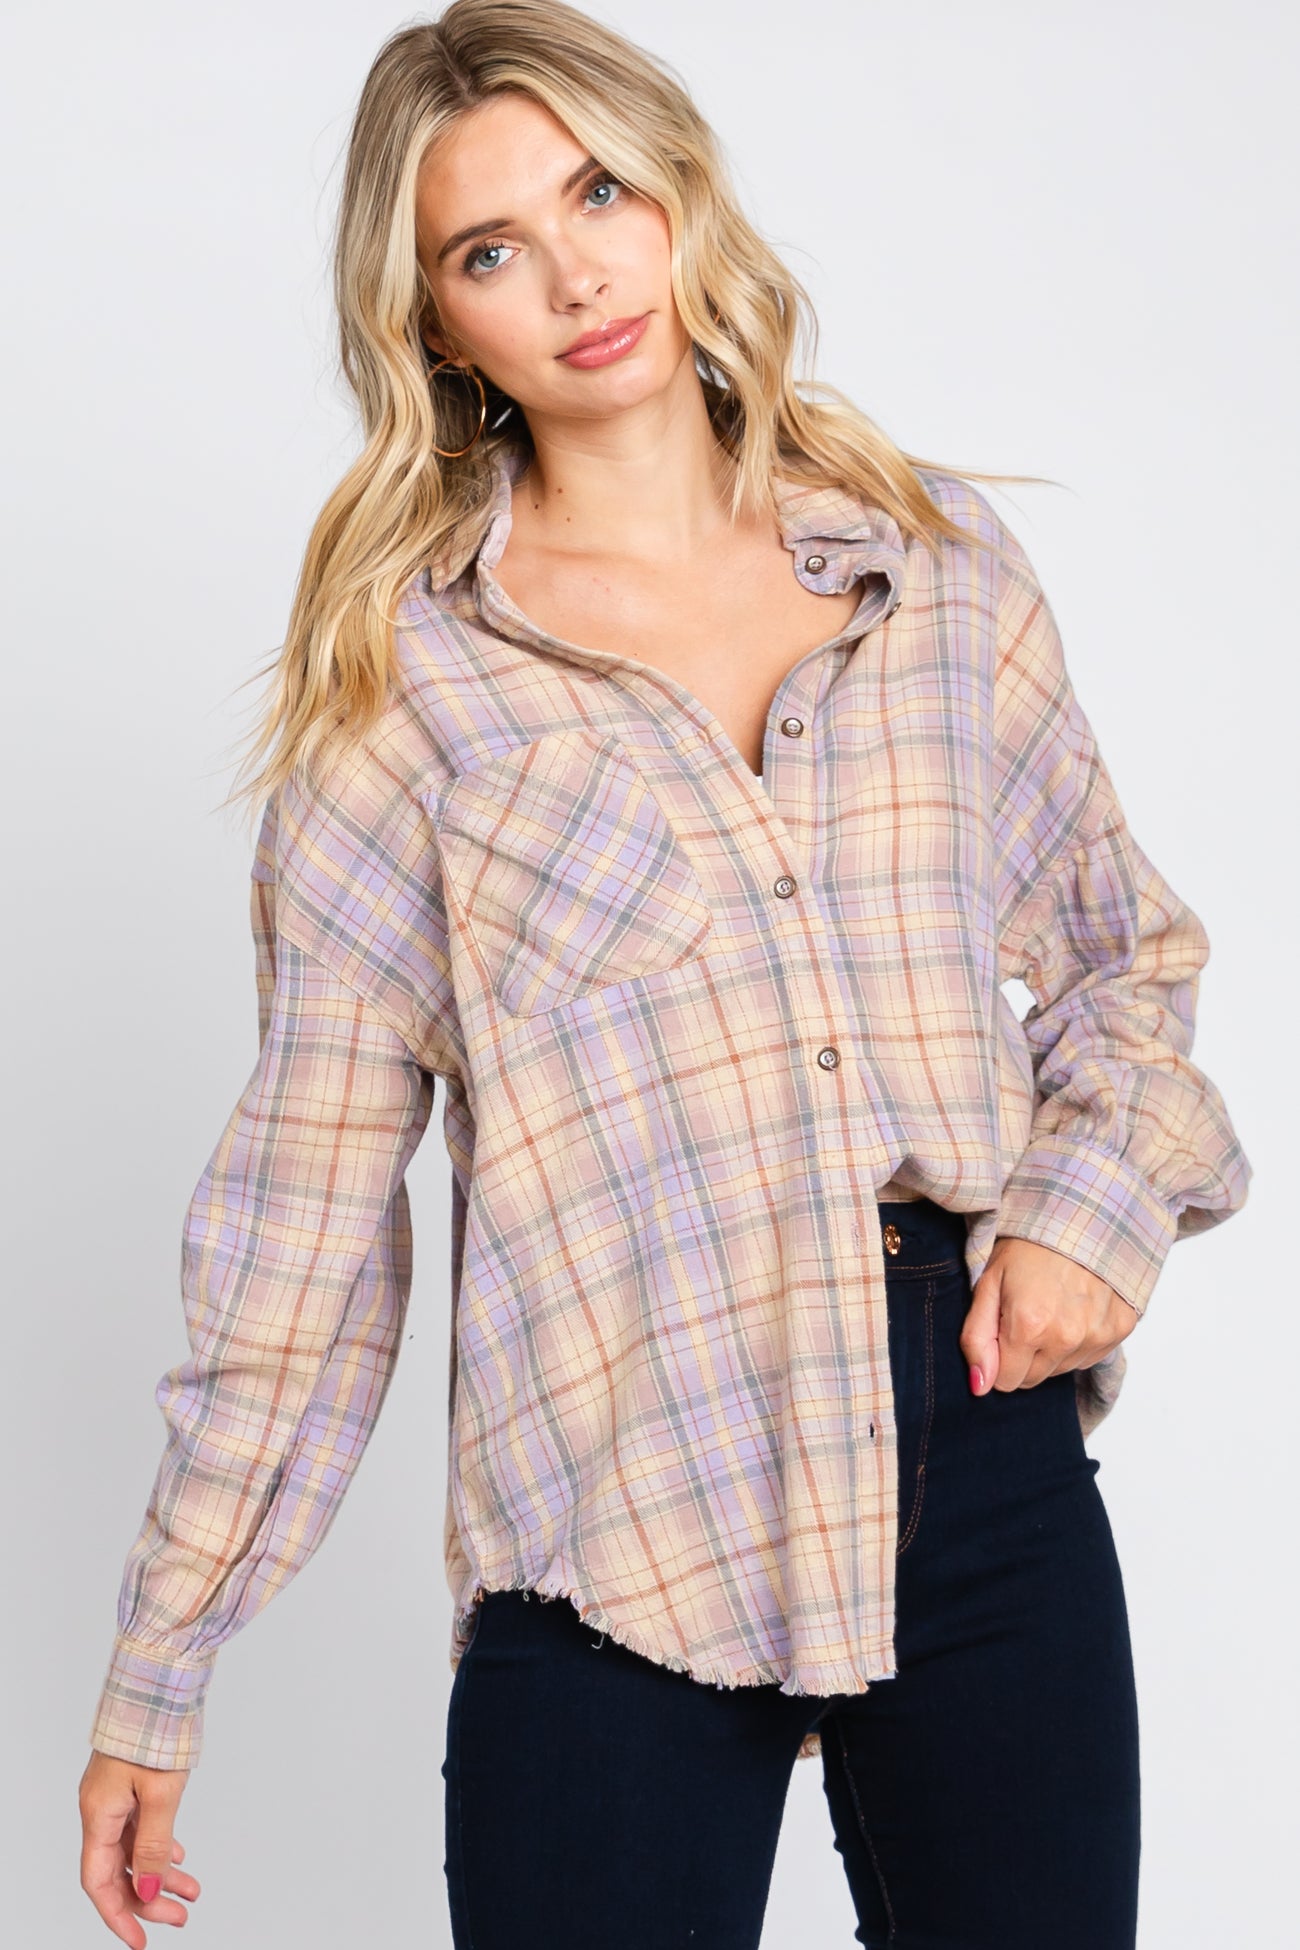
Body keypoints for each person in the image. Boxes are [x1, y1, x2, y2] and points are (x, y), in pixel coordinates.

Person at [78, 4, 1252, 1947]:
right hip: (614, 1505)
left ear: (681, 193)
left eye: (601, 194)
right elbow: (305, 1220)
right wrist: (160, 1663)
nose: (575, 276)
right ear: (435, 325)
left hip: (975, 1456)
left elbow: (1131, 959)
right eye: (491, 249)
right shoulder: (408, 699)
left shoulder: (930, 570)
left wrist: (1092, 1208)